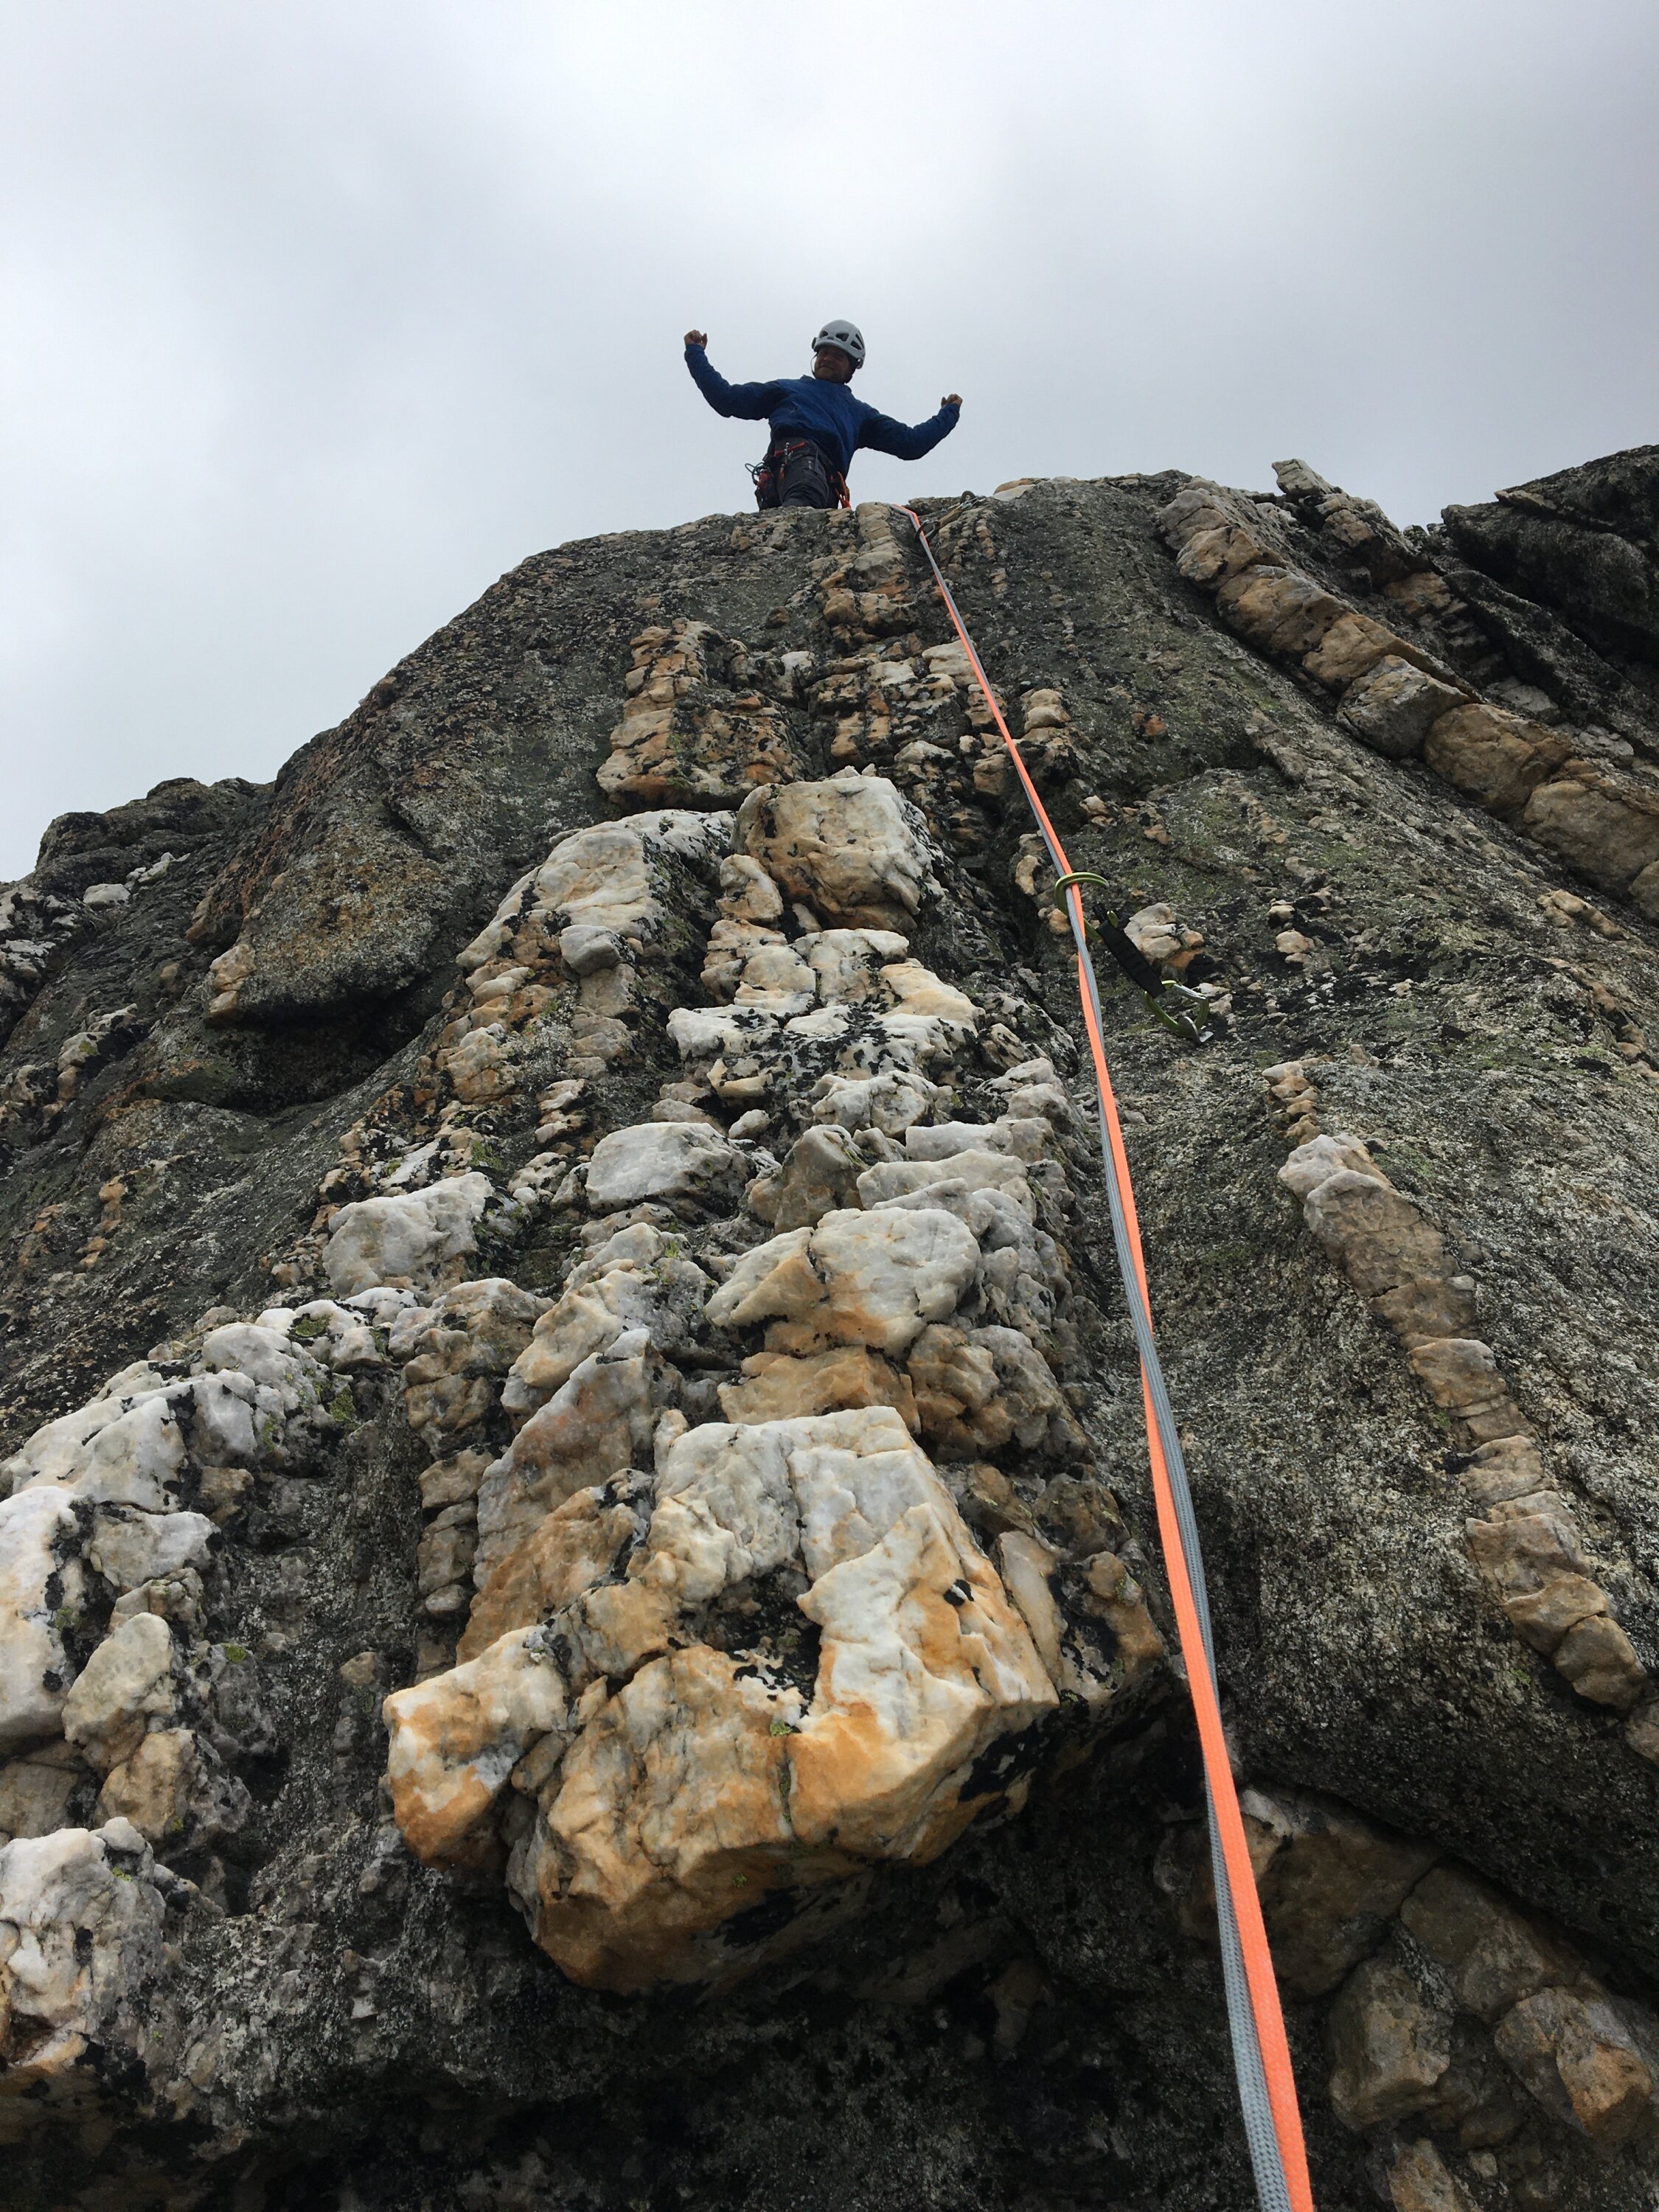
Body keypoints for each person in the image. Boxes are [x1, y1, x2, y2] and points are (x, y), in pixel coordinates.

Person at [683, 321, 961, 509]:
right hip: (791, 471)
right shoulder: (786, 389)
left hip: (816, 477)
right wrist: (696, 354)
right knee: (792, 527)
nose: (827, 358)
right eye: (823, 352)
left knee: (792, 526)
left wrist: (948, 414)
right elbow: (727, 399)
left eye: (838, 356)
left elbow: (911, 444)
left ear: (852, 368)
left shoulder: (860, 413)